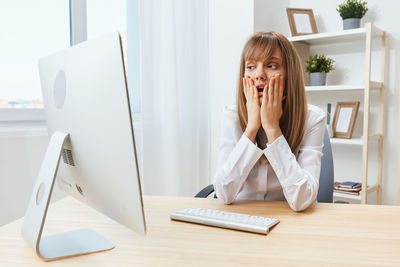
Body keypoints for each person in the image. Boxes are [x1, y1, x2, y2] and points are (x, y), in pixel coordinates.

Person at [213, 31, 326, 212]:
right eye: (250, 67)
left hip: (290, 221)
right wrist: (251, 129)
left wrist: (273, 129)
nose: (259, 75)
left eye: (271, 65)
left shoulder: (312, 118)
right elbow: (224, 193)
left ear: (290, 73)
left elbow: (302, 199)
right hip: (241, 218)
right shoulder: (232, 116)